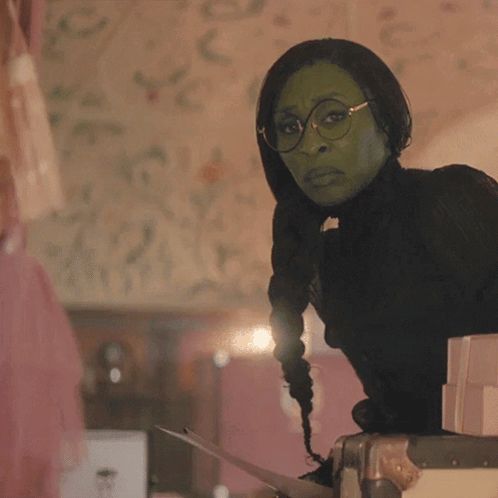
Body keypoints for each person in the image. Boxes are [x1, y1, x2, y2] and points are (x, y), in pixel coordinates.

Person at [255, 38, 498, 469]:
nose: (310, 145)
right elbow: (403, 416)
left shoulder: (449, 201)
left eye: (333, 117)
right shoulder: (326, 259)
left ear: (385, 121)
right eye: (289, 128)